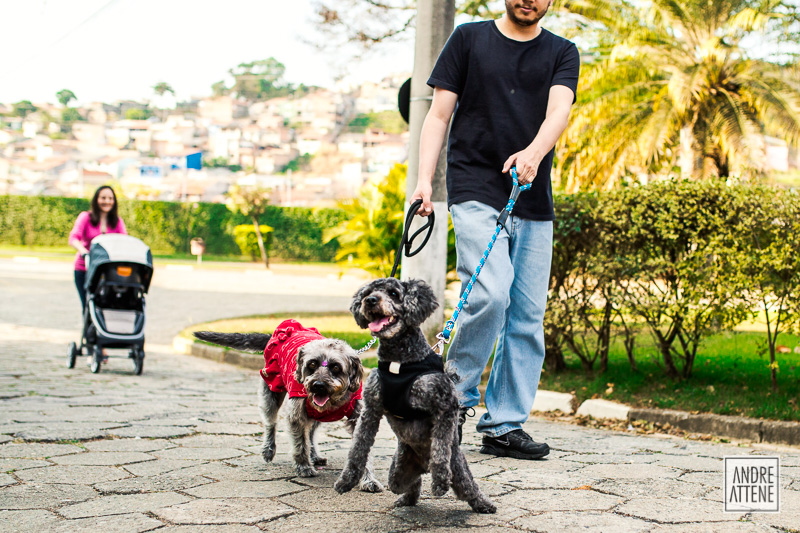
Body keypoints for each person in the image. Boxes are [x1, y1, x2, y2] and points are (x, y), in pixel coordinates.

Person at [411, 0, 580, 460]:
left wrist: (533, 153)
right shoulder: (468, 39)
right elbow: (438, 116)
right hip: (474, 186)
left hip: (531, 192)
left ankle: (504, 425)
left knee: (526, 316)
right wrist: (424, 182)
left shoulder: (563, 51)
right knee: (489, 292)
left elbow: (557, 114)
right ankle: (454, 401)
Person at [68, 185, 128, 312]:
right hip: (85, 268)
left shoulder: (117, 222)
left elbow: (124, 242)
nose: (107, 201)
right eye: (103, 198)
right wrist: (84, 252)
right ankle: (87, 331)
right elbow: (74, 238)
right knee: (87, 304)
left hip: (107, 270)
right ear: (96, 199)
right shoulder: (85, 217)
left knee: (104, 305)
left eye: (110, 198)